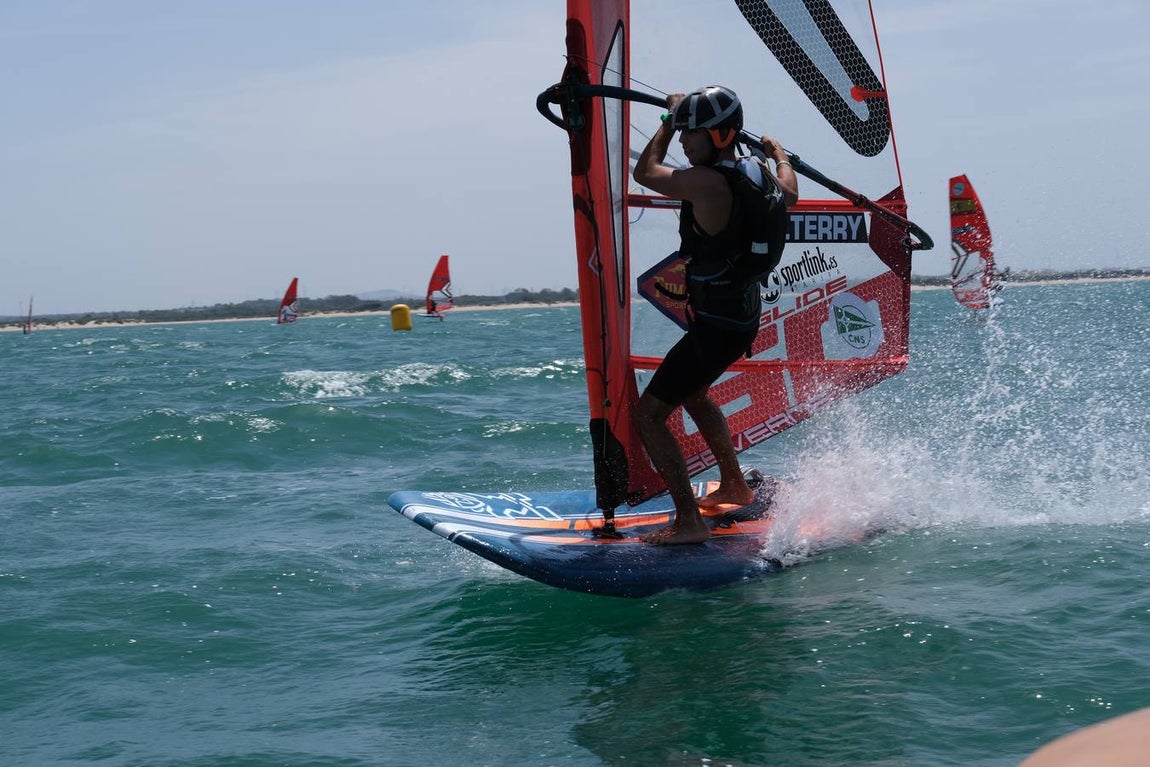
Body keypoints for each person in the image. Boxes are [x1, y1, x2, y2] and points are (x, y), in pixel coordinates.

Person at [632, 85, 798, 545]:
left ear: (722, 135)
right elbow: (791, 195)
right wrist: (780, 154)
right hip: (739, 315)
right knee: (695, 393)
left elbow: (645, 172)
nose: (684, 141)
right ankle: (735, 483)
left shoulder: (705, 182)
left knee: (648, 416)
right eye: (682, 132)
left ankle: (687, 523)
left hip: (718, 325)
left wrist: (666, 120)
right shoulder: (758, 172)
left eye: (692, 133)